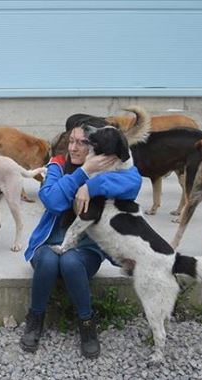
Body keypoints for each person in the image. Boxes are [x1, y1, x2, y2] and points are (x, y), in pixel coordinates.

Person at [21, 124, 141, 358]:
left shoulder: (110, 166)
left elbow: (134, 184)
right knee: (48, 259)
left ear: (95, 145)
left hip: (87, 249)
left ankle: (87, 326)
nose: (73, 147)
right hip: (49, 242)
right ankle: (35, 320)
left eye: (81, 142)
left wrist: (91, 186)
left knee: (70, 261)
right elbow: (53, 200)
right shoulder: (56, 164)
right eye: (71, 141)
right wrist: (83, 173)